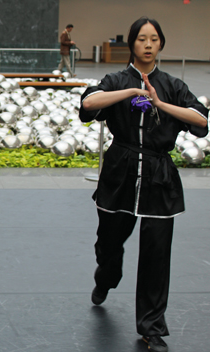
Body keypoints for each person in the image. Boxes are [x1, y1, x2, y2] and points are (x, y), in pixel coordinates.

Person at [80, 17, 208, 352]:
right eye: (141, 39)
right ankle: (106, 276)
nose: (148, 44)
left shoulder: (173, 86)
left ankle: (152, 328)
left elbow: (202, 121)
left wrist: (160, 103)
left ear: (160, 44)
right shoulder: (116, 79)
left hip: (159, 177)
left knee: (156, 256)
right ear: (132, 44)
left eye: (154, 39)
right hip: (120, 173)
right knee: (108, 245)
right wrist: (134, 91)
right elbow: (88, 104)